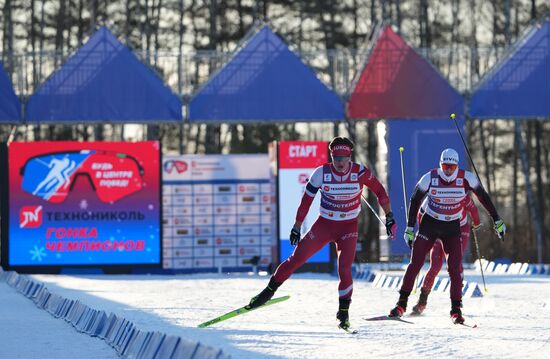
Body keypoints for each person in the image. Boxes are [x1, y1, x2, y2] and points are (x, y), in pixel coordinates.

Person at [247, 136, 396, 330]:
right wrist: (296, 227)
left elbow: (381, 192)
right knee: (296, 259)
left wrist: (390, 216)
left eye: (344, 158)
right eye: (336, 158)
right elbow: (306, 202)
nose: (340, 162)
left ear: (349, 156)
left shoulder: (360, 172)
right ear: (331, 157)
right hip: (324, 225)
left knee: (344, 268)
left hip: (348, 227)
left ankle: (343, 313)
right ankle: (266, 293)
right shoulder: (321, 173)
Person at [389, 148, 506, 324]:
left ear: (457, 166)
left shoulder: (467, 178)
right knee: (416, 263)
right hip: (430, 224)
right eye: (445, 166)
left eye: (451, 167)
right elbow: (415, 201)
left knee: (455, 269)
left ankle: (456, 310)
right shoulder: (430, 177)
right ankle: (401, 304)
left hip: (452, 227)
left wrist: (497, 219)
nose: (448, 171)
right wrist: (410, 228)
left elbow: (483, 198)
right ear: (440, 164)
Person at [411, 194, 481, 315]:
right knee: (435, 266)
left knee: (455, 264)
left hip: (460, 229)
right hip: (438, 229)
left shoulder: (461, 194)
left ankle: (457, 301)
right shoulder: (433, 196)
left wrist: (476, 223)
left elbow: (473, 209)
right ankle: (422, 302)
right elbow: (420, 213)